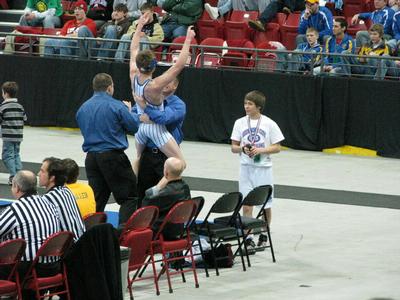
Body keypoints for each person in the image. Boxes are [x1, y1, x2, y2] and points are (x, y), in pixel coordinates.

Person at [129, 15, 195, 175]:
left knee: (138, 158)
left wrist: (139, 26)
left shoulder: (133, 75)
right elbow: (179, 65)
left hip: (140, 129)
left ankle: (134, 189)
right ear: (154, 66)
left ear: (138, 64)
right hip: (155, 129)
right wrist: (188, 39)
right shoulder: (154, 86)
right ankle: (158, 188)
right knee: (181, 164)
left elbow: (133, 49)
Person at [76, 73, 139, 225]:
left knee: (97, 200)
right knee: (129, 197)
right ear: (110, 88)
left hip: (91, 158)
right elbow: (134, 127)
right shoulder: (117, 106)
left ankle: (92, 236)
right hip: (112, 157)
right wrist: (129, 111)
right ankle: (123, 237)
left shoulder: (83, 108)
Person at [231, 90, 284, 253]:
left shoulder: (269, 124)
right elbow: (233, 148)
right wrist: (243, 148)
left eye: (250, 104)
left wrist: (260, 150)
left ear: (258, 106)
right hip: (246, 168)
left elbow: (277, 147)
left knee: (265, 204)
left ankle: (264, 232)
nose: (246, 106)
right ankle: (248, 237)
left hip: (263, 169)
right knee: (246, 203)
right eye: (245, 103)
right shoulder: (239, 123)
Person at [0, 170, 60, 299]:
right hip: (53, 265)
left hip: (27, 268)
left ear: (17, 187)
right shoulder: (50, 204)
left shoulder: (15, 209)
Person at [136, 76, 186, 201]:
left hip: (166, 156)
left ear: (175, 86)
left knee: (166, 195)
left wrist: (146, 111)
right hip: (148, 153)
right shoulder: (149, 99)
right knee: (143, 193)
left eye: (168, 81)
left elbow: (164, 118)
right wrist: (142, 115)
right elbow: (134, 115)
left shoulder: (178, 104)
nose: (164, 83)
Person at [142, 157, 190, 240]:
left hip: (161, 231)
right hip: (179, 229)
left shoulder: (163, 194)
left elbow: (145, 205)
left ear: (166, 172)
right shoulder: (185, 188)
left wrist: (158, 187)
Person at [39, 157, 85, 241]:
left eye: (42, 171)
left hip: (69, 249)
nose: (39, 174)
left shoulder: (47, 200)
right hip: (82, 242)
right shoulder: (67, 191)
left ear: (52, 178)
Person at [0, 81, 27, 185]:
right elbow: (25, 118)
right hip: (18, 136)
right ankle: (19, 176)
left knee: (7, 156)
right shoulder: (20, 106)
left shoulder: (3, 107)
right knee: (16, 154)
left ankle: (13, 176)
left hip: (8, 137)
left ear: (5, 93)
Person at [204, 0, 270, 20]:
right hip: (248, 3)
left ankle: (218, 12)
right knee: (222, 1)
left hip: (263, 4)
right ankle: (218, 13)